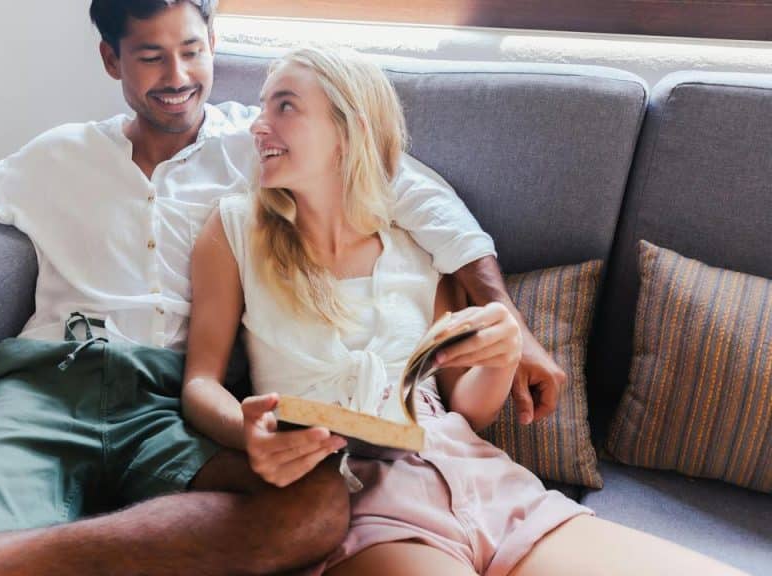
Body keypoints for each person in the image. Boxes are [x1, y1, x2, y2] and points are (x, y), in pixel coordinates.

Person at [0, 1, 561, 574]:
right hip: (48, 385)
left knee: (315, 510)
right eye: (151, 55)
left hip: (170, 404)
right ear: (111, 60)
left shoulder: (256, 149)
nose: (178, 74)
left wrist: (506, 318)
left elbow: (404, 186)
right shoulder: (61, 153)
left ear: (214, 43)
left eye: (192, 50)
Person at [183, 46, 745, 576]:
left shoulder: (417, 249)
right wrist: (249, 434)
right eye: (262, 106)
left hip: (480, 478)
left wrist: (500, 356)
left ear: (347, 129)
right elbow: (201, 383)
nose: (259, 125)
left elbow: (465, 409)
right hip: (359, 496)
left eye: (284, 106)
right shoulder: (234, 229)